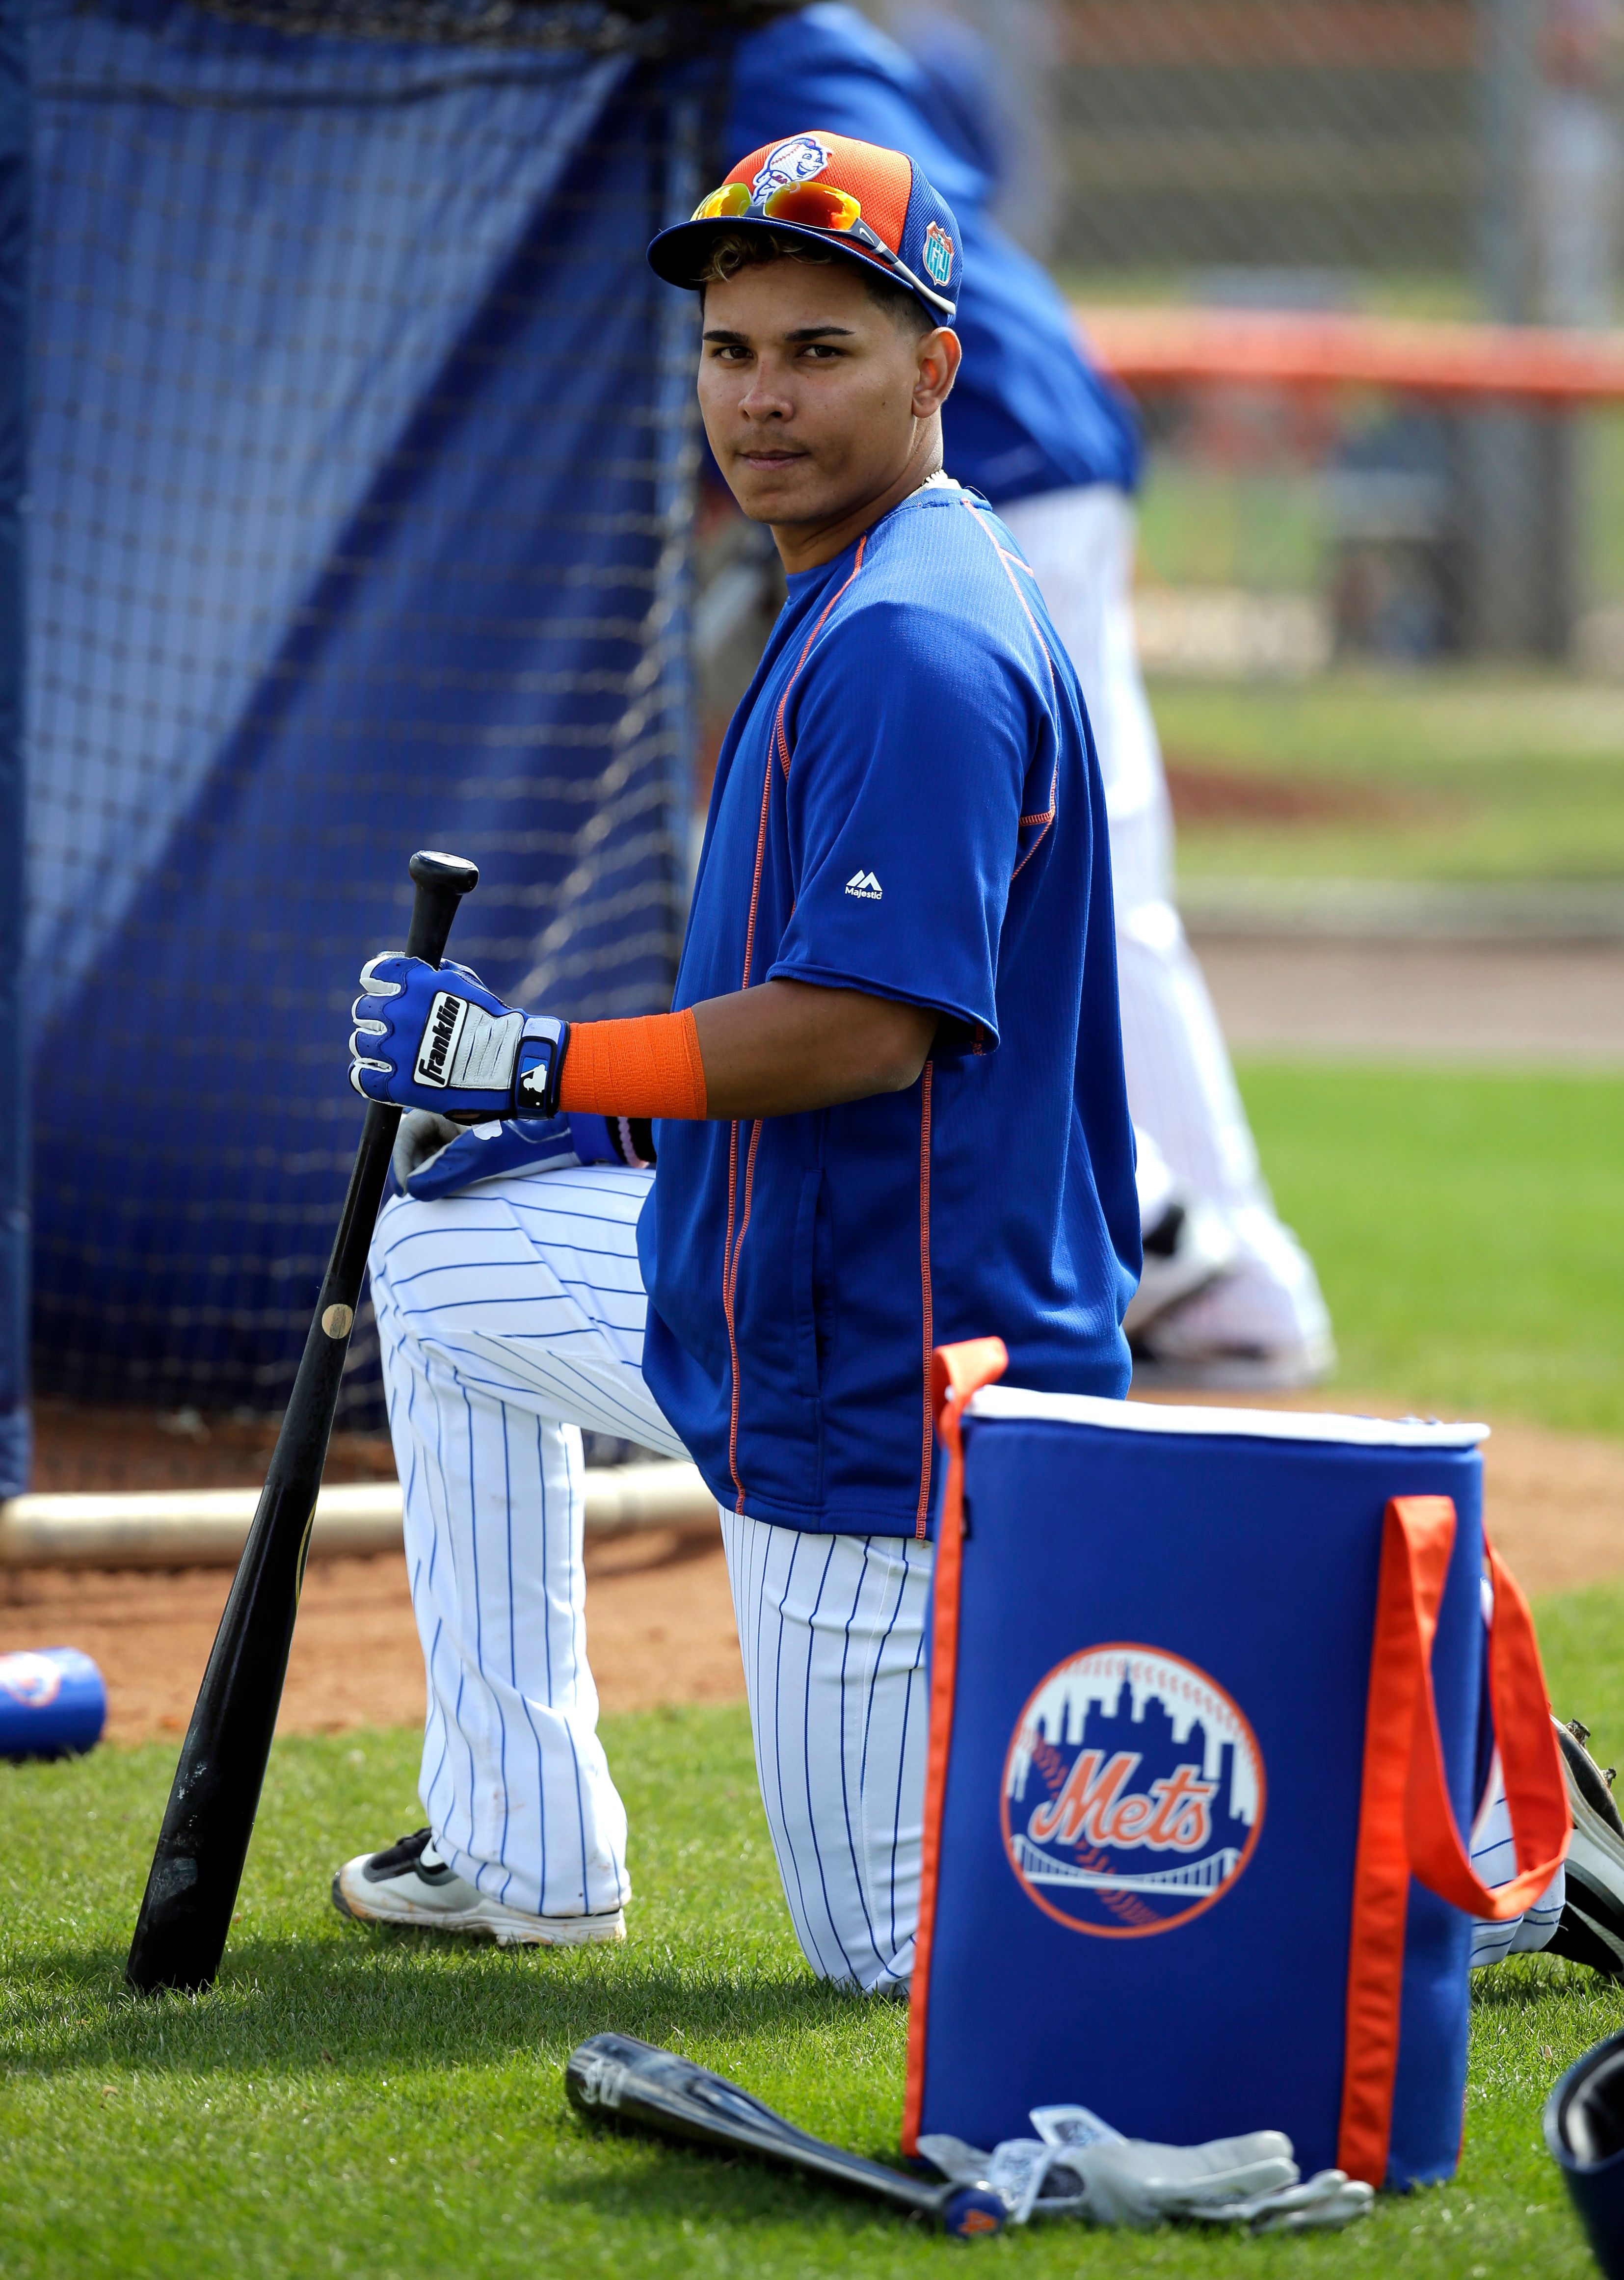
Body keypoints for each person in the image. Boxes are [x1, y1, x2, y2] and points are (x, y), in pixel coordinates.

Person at [332, 131, 1140, 1982]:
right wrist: (619, 1138)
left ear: (935, 366)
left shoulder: (914, 646)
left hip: (883, 1381)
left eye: (818, 352)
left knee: (893, 1961)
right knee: (443, 1264)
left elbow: (863, 1029)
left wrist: (544, 1066)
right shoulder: (868, 574)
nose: (759, 398)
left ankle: (1449, 1860)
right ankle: (516, 1846)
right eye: (731, 350)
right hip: (776, 1288)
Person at [704, 1, 1333, 1385]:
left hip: (991, 464)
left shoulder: (757, 58)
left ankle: (1175, 1244)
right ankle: (1220, 1273)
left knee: (1048, 883)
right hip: (1037, 445)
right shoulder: (801, 48)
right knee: (1098, 891)